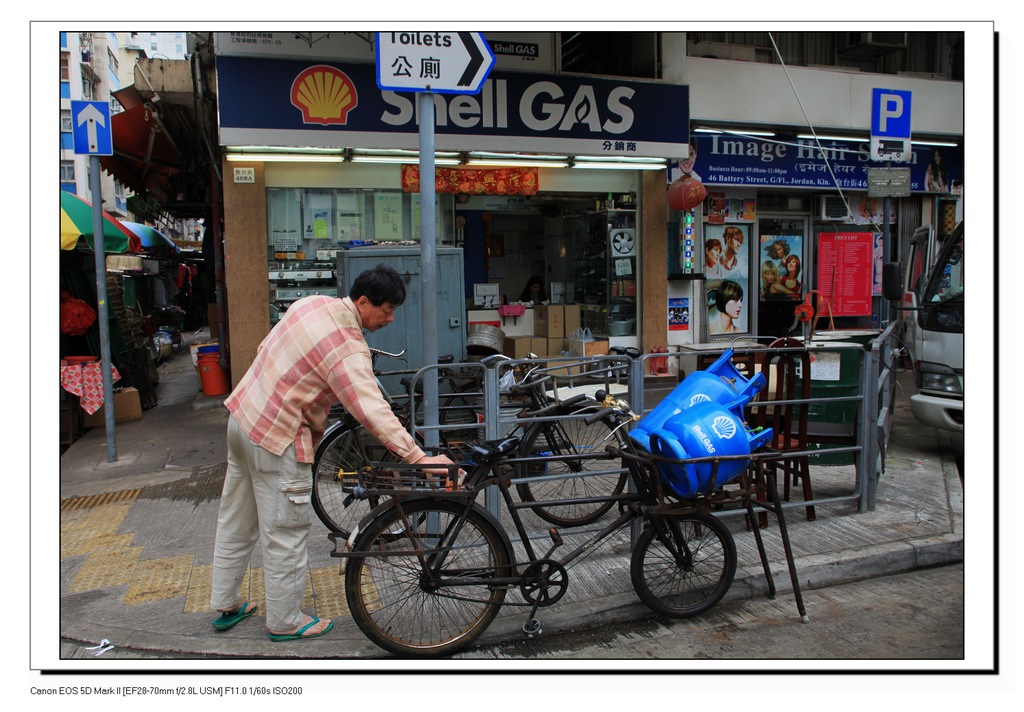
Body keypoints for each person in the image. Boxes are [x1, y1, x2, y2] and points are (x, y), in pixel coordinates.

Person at [209, 264, 457, 642]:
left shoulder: (311, 304)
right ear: (362, 301)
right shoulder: (346, 346)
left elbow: (267, 348)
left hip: (242, 418)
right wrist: (418, 458)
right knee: (284, 532)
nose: (389, 319)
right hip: (278, 440)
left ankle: (225, 603)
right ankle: (285, 621)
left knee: (236, 518)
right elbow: (370, 407)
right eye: (386, 310)